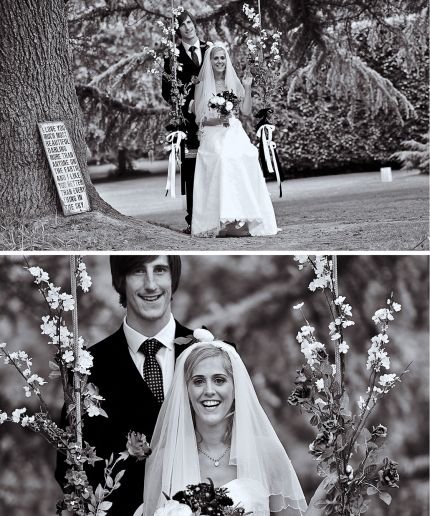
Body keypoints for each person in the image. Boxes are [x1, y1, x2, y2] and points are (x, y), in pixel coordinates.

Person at [55, 256, 195, 516]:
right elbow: (70, 471)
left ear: (173, 278)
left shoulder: (209, 355)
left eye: (160, 270)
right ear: (120, 280)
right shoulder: (87, 369)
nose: (151, 284)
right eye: (138, 271)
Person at [142, 340, 324, 515]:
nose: (209, 390)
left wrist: (322, 497)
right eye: (198, 381)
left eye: (219, 380)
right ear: (186, 390)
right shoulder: (164, 461)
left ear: (236, 387)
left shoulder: (267, 453)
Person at [191, 43, 280, 237]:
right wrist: (217, 120)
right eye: (216, 58)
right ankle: (223, 220)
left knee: (248, 154)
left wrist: (247, 88)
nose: (220, 61)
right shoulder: (202, 84)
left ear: (226, 59)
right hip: (212, 132)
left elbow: (246, 111)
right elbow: (200, 119)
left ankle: (244, 218)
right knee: (223, 157)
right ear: (210, 61)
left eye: (223, 58)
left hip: (233, 130)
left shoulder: (234, 81)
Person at [161, 10, 208, 235]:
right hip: (188, 123)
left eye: (189, 22)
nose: (188, 27)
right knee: (191, 171)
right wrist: (184, 102)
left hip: (213, 119)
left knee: (214, 166)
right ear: (177, 31)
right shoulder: (173, 55)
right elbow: (166, 91)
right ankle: (193, 220)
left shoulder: (210, 50)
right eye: (182, 25)